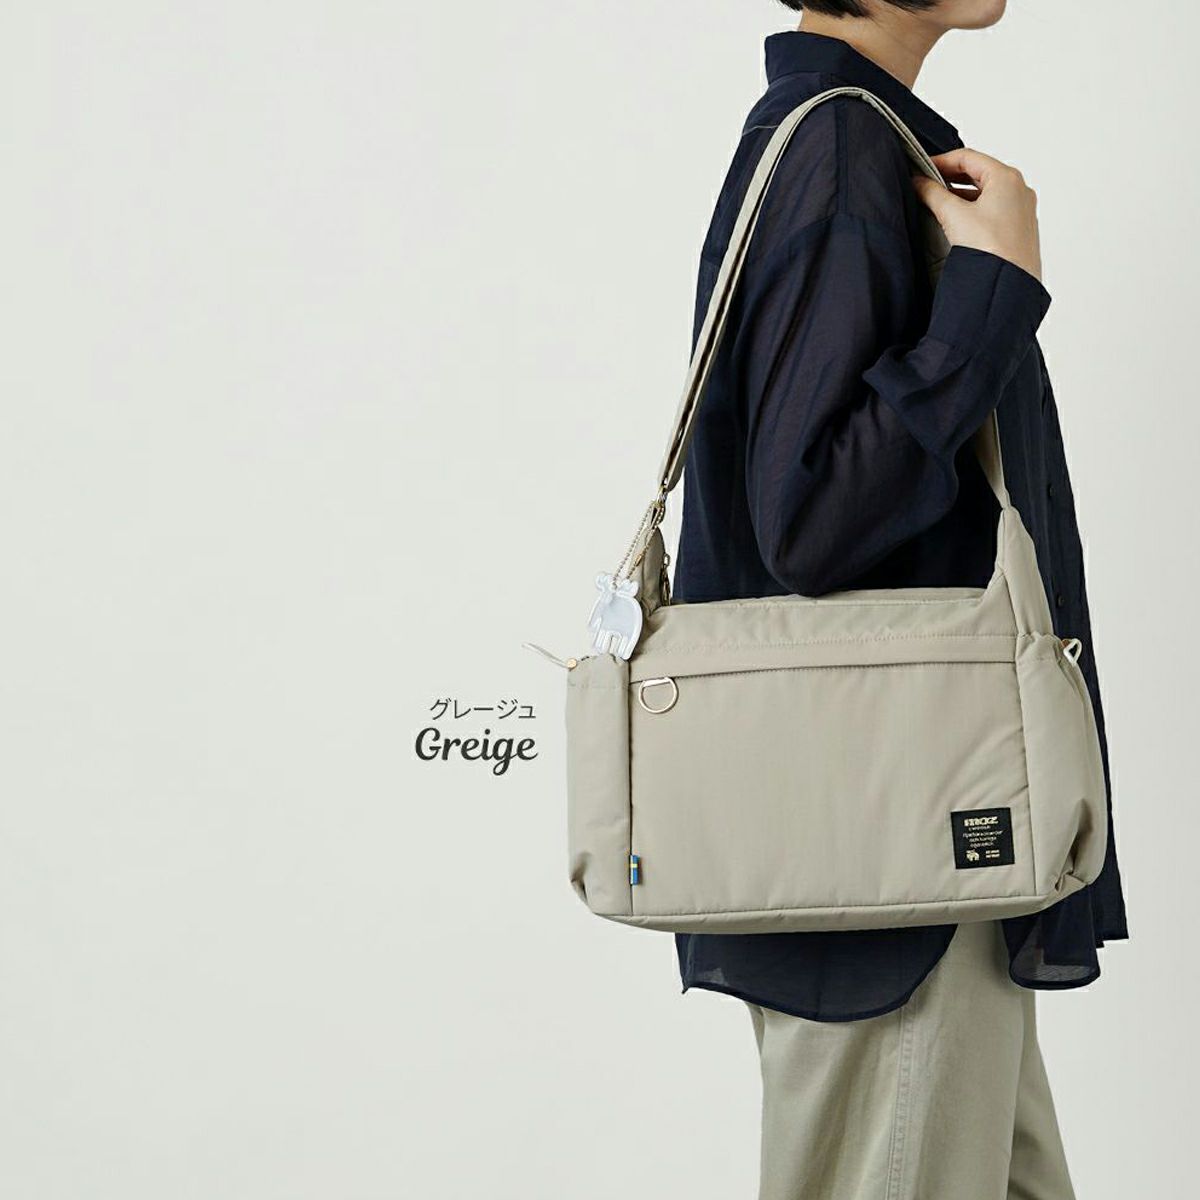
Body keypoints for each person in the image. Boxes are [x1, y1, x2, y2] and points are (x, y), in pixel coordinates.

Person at [670, 3, 1128, 1197]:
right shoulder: (835, 148)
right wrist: (990, 288)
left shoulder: (866, 142)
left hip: (918, 837)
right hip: (895, 857)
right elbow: (811, 522)